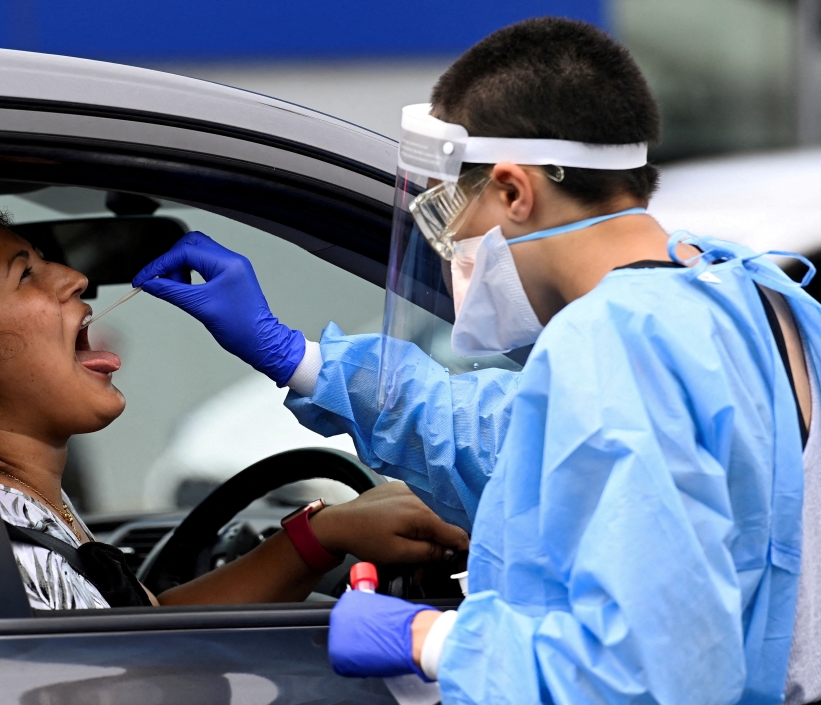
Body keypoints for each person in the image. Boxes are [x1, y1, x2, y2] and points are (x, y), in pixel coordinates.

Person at [130, 17, 821, 705]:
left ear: (515, 190)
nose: (450, 243)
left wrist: (432, 638)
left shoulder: (617, 340)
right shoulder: (745, 296)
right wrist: (294, 356)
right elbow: (523, 450)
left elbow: (648, 675)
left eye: (449, 211)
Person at [0, 180, 468, 611]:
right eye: (25, 273)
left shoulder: (16, 509)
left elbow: (146, 630)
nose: (74, 278)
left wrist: (320, 536)